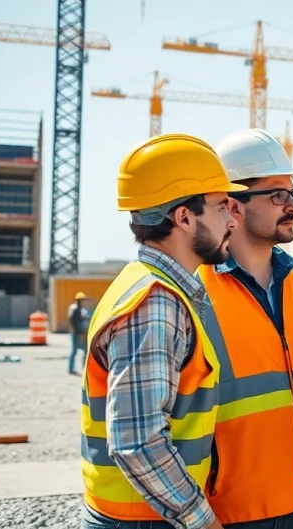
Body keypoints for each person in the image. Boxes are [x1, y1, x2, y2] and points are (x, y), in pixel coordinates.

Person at [80, 133, 245, 529]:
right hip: (146, 520)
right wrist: (201, 519)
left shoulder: (144, 283)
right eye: (222, 206)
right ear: (184, 218)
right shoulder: (155, 303)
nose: (232, 219)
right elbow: (137, 441)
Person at [196, 128, 293, 529]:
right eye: (277, 195)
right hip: (225, 510)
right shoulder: (195, 293)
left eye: (291, 194)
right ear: (233, 205)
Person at [67, 291, 91, 375]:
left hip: (80, 332)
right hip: (77, 333)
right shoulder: (75, 309)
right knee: (74, 350)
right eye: (82, 300)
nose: (84, 302)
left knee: (84, 350)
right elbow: (74, 321)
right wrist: (79, 332)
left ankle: (83, 368)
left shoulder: (80, 309)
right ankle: (71, 368)